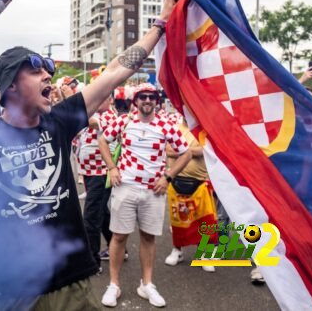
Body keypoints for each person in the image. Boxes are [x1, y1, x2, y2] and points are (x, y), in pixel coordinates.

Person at [0, 0, 179, 310]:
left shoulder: (58, 121)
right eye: (36, 69)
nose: (48, 75)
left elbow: (114, 72)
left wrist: (160, 24)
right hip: (19, 291)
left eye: (49, 68)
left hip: (73, 282)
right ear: (10, 86)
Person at [98, 83, 192, 308]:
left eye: (152, 97)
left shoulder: (167, 125)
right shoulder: (124, 121)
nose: (147, 100)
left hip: (154, 191)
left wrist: (168, 177)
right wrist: (112, 167)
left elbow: (186, 153)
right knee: (119, 237)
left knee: (148, 237)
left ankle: (147, 284)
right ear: (135, 101)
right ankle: (114, 284)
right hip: (126, 187)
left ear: (157, 101)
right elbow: (102, 140)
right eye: (143, 97)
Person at [164, 118, 216, 273]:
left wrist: (182, 151)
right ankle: (177, 250)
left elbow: (204, 151)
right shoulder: (175, 128)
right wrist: (191, 151)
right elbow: (168, 150)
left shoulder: (204, 130)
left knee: (204, 222)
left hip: (200, 183)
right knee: (178, 220)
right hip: (176, 181)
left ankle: (204, 255)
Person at [76, 94, 116, 273]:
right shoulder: (96, 116)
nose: (99, 100)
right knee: (102, 213)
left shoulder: (109, 117)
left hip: (101, 174)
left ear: (111, 101)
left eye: (104, 98)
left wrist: (74, 101)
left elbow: (91, 122)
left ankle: (93, 262)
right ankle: (116, 246)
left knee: (90, 217)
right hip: (90, 173)